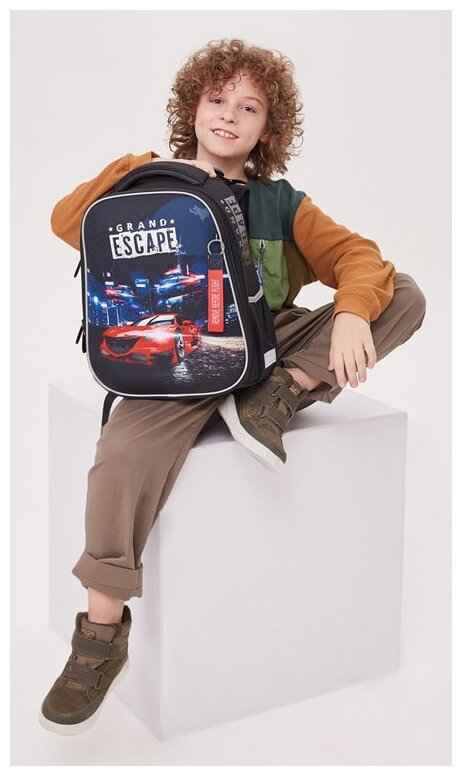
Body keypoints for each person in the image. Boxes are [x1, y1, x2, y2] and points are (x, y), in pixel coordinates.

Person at [40, 38, 426, 733]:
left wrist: (348, 313)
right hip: (175, 362)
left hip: (269, 348)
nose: (228, 116)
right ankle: (99, 637)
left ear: (267, 128)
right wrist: (138, 171)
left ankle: (276, 396)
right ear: (192, 107)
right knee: (117, 463)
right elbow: (68, 223)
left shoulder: (282, 203)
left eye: (249, 107)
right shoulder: (148, 180)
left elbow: (361, 258)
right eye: (217, 100)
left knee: (402, 293)